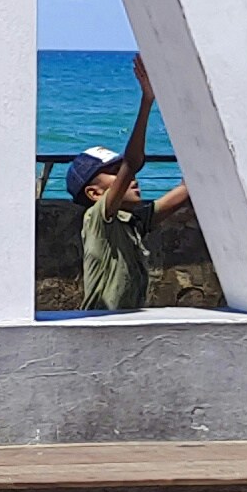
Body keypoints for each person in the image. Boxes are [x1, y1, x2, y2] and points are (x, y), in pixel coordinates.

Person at [59, 58, 192, 315]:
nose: (128, 179)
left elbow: (187, 189)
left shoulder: (131, 222)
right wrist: (147, 101)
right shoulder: (97, 219)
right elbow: (132, 163)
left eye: (120, 172)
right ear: (94, 193)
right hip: (99, 326)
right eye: (113, 173)